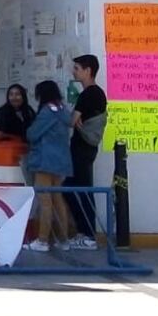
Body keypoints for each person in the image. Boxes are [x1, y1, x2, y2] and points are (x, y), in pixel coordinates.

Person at [24, 80, 75, 253]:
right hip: (62, 162)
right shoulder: (62, 110)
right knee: (58, 200)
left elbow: (32, 134)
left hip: (45, 161)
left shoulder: (47, 112)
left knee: (45, 200)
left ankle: (43, 240)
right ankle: (63, 239)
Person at [66, 54, 108, 251]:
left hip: (82, 148)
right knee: (72, 188)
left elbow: (71, 120)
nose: (74, 72)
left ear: (88, 70)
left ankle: (89, 235)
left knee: (82, 189)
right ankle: (83, 232)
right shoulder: (97, 94)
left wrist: (75, 119)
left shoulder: (89, 94)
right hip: (86, 147)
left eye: (77, 68)